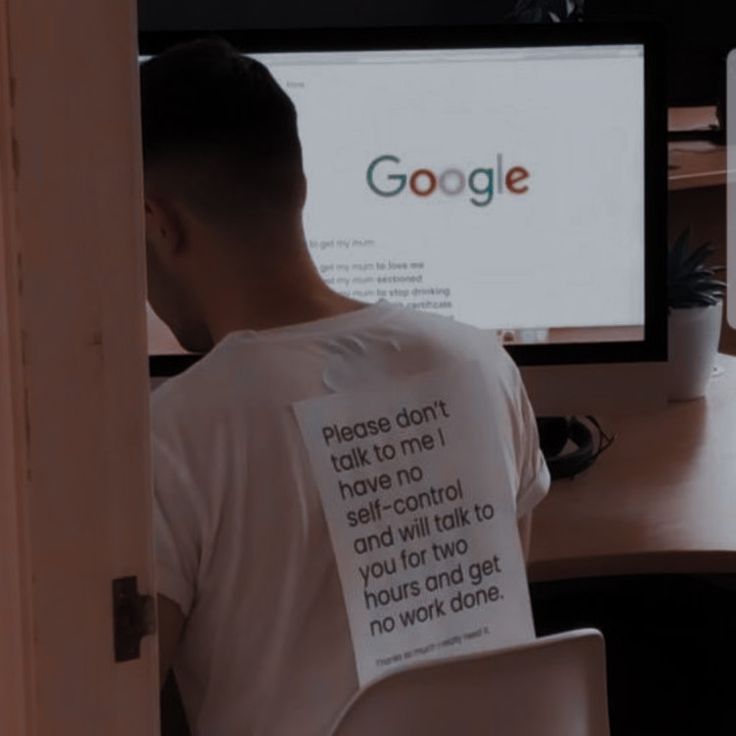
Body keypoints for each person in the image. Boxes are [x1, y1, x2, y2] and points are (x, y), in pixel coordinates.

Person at [142, 38, 550, 736]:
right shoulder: (481, 365)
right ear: (301, 188)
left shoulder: (172, 434)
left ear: (158, 225)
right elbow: (495, 629)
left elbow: (103, 694)